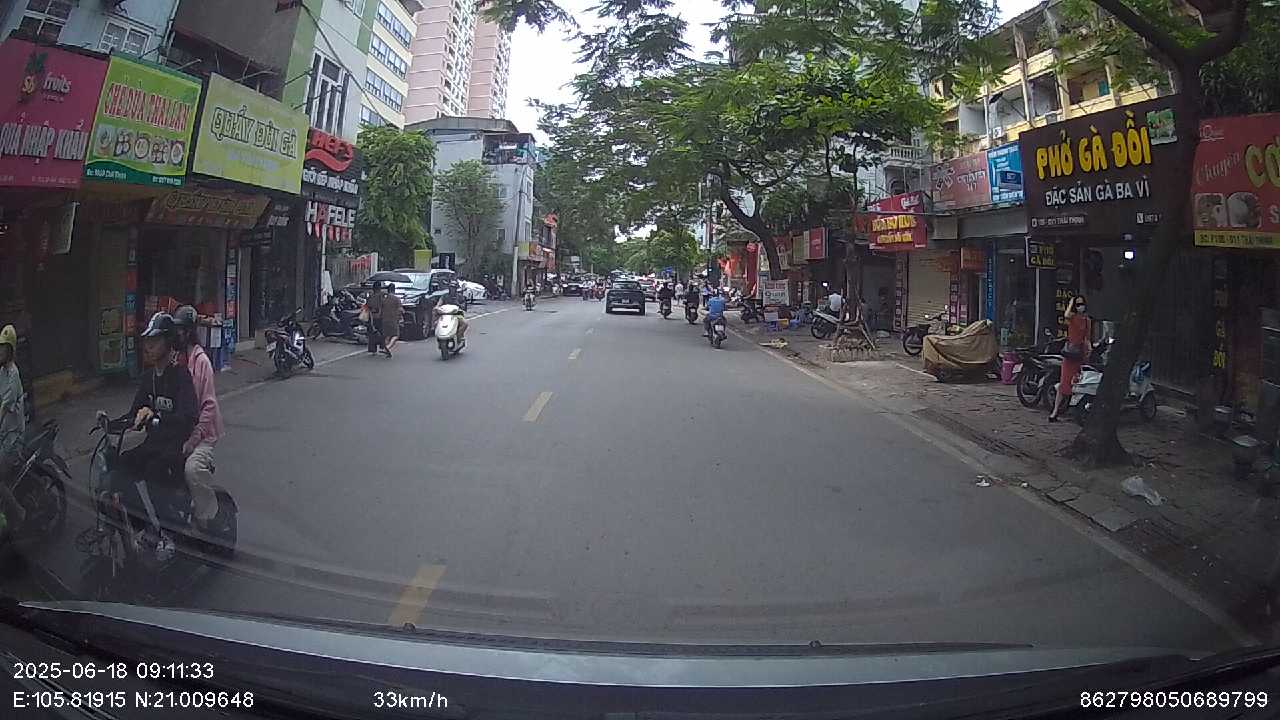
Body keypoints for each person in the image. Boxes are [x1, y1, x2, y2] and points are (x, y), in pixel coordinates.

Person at [172, 306, 223, 528]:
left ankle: (207, 518)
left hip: (204, 434)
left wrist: (193, 440)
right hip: (180, 430)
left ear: (188, 332)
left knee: (192, 470)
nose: (176, 335)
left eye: (180, 330)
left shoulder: (202, 362)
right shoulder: (175, 359)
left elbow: (209, 406)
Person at [1050, 295, 1092, 422]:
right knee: (1064, 383)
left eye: (1081, 304)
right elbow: (1067, 315)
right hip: (1070, 354)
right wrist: (1071, 302)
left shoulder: (1087, 320)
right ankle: (1055, 412)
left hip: (1080, 354)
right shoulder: (1072, 317)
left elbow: (1087, 337)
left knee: (1080, 383)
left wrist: (1089, 349)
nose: (1080, 307)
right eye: (1077, 304)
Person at [0, 325, 26, 529]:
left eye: (3, 348)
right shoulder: (2, 371)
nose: (0, 351)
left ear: (10, 350)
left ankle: (18, 511)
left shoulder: (13, 374)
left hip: (12, 439)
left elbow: (5, 406)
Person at [380, 284, 402, 356]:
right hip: (393, 319)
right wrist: (400, 316)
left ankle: (386, 349)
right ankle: (387, 347)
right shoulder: (396, 299)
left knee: (387, 336)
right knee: (395, 335)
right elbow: (400, 309)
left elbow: (381, 309)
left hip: (384, 319)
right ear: (394, 290)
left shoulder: (384, 299)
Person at [365, 282, 385, 355]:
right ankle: (382, 346)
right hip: (380, 316)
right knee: (381, 332)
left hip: (371, 317)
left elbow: (367, 305)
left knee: (372, 333)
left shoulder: (370, 296)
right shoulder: (382, 296)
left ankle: (373, 349)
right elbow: (383, 305)